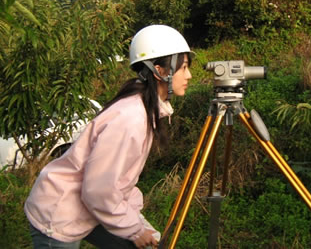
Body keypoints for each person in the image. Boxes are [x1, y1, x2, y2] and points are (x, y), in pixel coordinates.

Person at [24, 25, 194, 249]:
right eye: (183, 68)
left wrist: (137, 222)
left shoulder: (143, 108)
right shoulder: (131, 118)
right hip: (59, 213)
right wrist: (134, 230)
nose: (189, 75)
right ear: (160, 71)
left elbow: (119, 181)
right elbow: (99, 190)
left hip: (91, 203)